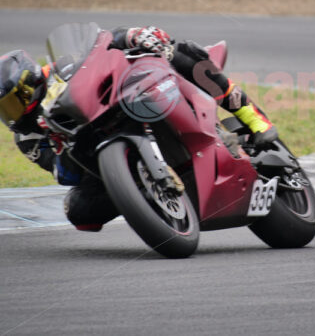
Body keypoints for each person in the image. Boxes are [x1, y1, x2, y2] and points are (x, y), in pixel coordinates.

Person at [0, 25, 278, 232]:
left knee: (179, 52)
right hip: (95, 153)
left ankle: (254, 118)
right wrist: (61, 148)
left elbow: (103, 44)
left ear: (28, 82)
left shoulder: (60, 68)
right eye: (3, 109)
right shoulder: (28, 137)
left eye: (13, 101)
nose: (10, 113)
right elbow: (64, 174)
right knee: (78, 210)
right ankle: (146, 199)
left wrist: (134, 36)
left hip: (123, 101)